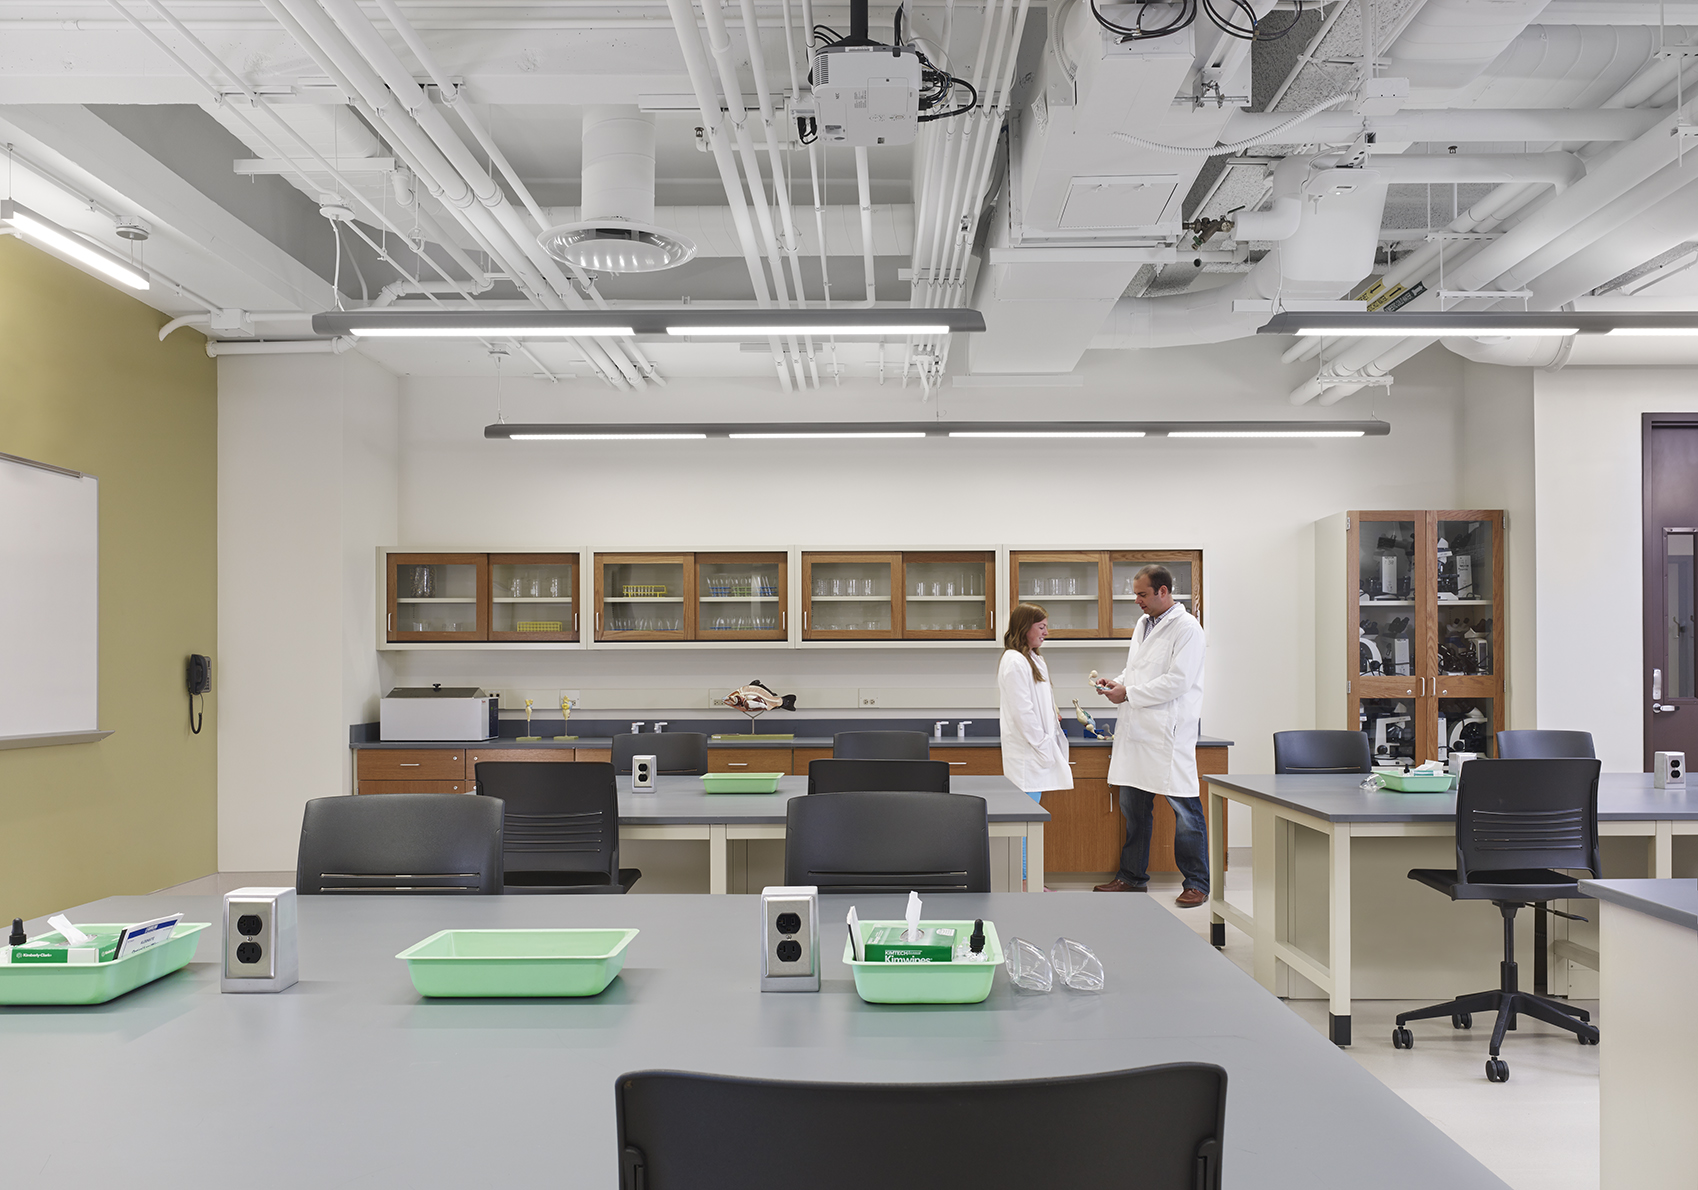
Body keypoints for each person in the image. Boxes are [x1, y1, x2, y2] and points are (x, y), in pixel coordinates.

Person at [1092, 565, 1208, 907]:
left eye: (1143, 594)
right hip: (1138, 731)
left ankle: (1197, 883)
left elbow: (1178, 681)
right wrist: (1118, 682)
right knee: (1134, 810)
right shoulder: (1144, 625)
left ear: (1163, 591)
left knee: (1185, 810)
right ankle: (1131, 877)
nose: (1137, 601)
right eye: (1136, 594)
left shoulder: (1188, 629)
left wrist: (1128, 693)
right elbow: (1139, 669)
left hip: (1167, 732)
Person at [998, 602, 1072, 888]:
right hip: (1028, 754)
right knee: (1025, 823)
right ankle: (1025, 882)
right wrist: (1043, 743)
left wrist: (1052, 713)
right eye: (1041, 627)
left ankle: (1026, 880)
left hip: (1038, 750)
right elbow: (1023, 712)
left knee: (1031, 820)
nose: (1046, 632)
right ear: (1025, 628)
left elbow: (1040, 699)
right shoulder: (1014, 661)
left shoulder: (1032, 658)